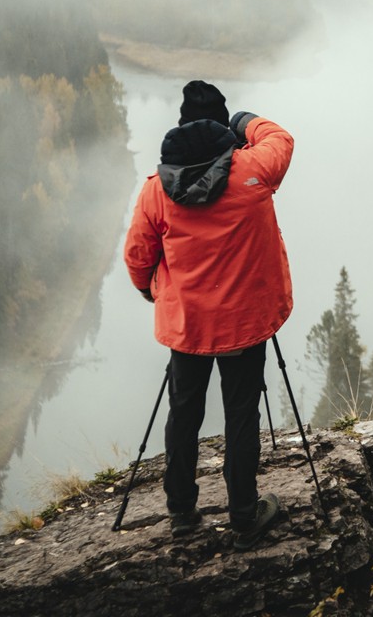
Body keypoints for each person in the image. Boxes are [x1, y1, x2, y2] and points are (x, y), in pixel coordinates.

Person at [123, 79, 293, 550]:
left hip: (188, 326)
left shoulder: (157, 189)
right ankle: (243, 514)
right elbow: (281, 137)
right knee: (241, 412)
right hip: (245, 323)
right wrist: (242, 121)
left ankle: (181, 513)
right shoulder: (254, 169)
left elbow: (138, 255)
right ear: (226, 132)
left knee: (184, 413)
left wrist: (150, 291)